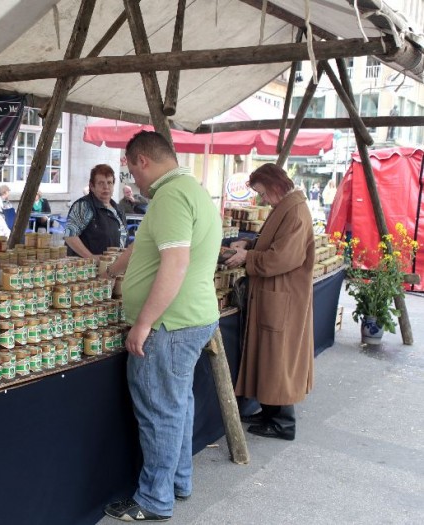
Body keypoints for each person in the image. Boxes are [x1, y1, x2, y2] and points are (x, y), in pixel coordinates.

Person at [101, 131, 220, 522]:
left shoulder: (170, 197)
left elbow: (175, 264)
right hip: (193, 317)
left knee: (160, 411)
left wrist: (144, 322)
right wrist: (112, 269)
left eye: (132, 171)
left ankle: (154, 499)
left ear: (143, 161)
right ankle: (178, 481)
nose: (133, 180)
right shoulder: (190, 189)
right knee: (178, 403)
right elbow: (144, 245)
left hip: (170, 324)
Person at [225, 163, 315, 442]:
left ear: (275, 186)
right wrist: (249, 245)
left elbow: (282, 257)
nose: (263, 199)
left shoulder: (295, 211)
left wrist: (247, 257)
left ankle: (282, 422)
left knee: (279, 358)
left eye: (263, 193)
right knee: (269, 356)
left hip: (282, 295)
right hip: (274, 294)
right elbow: (272, 243)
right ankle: (270, 413)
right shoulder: (286, 207)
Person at [64, 164, 126, 259]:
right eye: (101, 183)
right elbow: (70, 236)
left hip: (113, 265)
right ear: (92, 186)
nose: (106, 187)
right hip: (88, 266)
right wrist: (91, 257)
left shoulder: (118, 209)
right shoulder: (84, 206)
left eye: (109, 182)